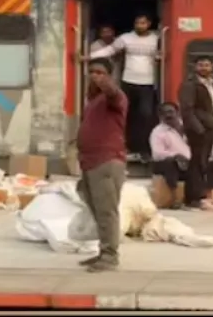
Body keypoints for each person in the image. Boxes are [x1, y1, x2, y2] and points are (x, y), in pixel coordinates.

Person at [76, 58, 128, 272]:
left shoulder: (115, 98)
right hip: (90, 162)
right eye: (91, 72)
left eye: (100, 72)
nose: (94, 76)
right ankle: (103, 251)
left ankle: (109, 256)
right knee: (97, 210)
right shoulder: (93, 101)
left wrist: (105, 82)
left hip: (106, 161)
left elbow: (113, 93)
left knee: (107, 211)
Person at [87, 15, 159, 162]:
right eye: (137, 23)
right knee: (125, 115)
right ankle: (125, 147)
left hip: (148, 83)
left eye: (143, 23)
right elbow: (109, 50)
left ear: (149, 24)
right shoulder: (126, 38)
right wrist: (89, 56)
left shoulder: (156, 38)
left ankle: (144, 149)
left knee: (145, 116)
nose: (140, 26)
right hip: (128, 81)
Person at [178, 55, 213, 211]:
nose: (204, 68)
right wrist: (198, 129)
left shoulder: (211, 84)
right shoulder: (190, 85)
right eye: (201, 65)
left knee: (203, 163)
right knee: (197, 164)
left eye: (207, 65)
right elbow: (187, 110)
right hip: (198, 130)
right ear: (195, 67)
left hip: (209, 129)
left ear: (212, 67)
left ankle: (199, 197)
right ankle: (195, 199)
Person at [148, 102, 190, 210]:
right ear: (161, 116)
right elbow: (157, 154)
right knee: (170, 163)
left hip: (187, 162)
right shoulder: (158, 132)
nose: (168, 115)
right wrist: (176, 156)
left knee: (209, 162)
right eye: (165, 113)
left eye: (171, 112)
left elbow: (204, 146)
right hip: (165, 163)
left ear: (177, 113)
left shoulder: (187, 128)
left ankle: (199, 199)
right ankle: (175, 199)